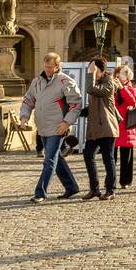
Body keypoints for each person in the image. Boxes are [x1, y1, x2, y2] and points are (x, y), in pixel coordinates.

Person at [19, 52, 83, 203]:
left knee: (49, 160)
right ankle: (71, 187)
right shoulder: (37, 81)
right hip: (42, 127)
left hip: (58, 127)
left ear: (57, 67)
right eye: (45, 66)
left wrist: (66, 122)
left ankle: (40, 192)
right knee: (55, 158)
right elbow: (28, 100)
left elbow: (76, 104)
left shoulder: (65, 81)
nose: (47, 69)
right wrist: (24, 117)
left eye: (50, 67)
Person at [82, 57, 119, 201]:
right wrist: (84, 110)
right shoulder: (96, 82)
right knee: (88, 155)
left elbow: (91, 90)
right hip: (94, 128)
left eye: (93, 69)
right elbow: (96, 103)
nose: (91, 71)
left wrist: (91, 74)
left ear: (100, 70)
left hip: (107, 127)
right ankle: (94, 189)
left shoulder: (109, 82)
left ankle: (110, 189)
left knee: (108, 159)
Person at [113, 63, 136, 189]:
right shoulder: (112, 87)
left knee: (126, 157)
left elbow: (132, 101)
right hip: (113, 125)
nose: (120, 76)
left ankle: (125, 181)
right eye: (119, 73)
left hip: (126, 126)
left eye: (124, 73)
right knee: (111, 157)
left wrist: (122, 88)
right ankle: (111, 181)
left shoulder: (131, 88)